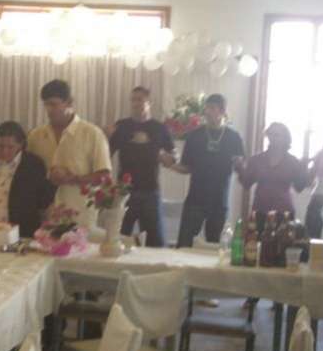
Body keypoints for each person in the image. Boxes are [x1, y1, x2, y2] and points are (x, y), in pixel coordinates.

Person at [27, 79, 111, 228]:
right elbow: (28, 174)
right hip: (46, 214)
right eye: (46, 104)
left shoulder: (92, 134)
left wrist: (73, 179)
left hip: (80, 214)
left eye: (54, 104)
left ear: (69, 102)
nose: (49, 110)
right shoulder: (35, 136)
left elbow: (104, 177)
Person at [172, 93, 245, 248]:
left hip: (219, 201)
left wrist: (240, 165)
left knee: (215, 248)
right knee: (184, 245)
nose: (207, 112)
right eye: (206, 108)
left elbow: (241, 169)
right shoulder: (194, 136)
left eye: (212, 108)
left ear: (222, 111)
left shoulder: (234, 137)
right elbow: (186, 167)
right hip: (195, 199)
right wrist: (170, 165)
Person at [109, 86, 175, 247]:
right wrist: (106, 135)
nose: (136, 103)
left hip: (150, 190)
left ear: (149, 102)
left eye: (140, 99)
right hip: (124, 191)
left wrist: (169, 158)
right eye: (133, 99)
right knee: (117, 238)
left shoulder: (160, 128)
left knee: (156, 242)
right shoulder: (121, 126)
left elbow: (172, 155)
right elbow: (107, 153)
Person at [0, 121, 55, 237]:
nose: (5, 151)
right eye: (0, 146)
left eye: (10, 147)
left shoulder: (32, 164)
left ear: (20, 145)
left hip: (19, 230)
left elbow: (42, 198)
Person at [235, 122, 308, 233]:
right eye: (271, 134)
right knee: (256, 242)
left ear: (285, 138)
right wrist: (239, 169)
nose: (273, 138)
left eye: (277, 135)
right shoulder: (257, 160)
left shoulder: (292, 161)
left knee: (282, 243)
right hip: (260, 210)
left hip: (284, 212)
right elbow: (246, 183)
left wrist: (304, 169)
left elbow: (299, 187)